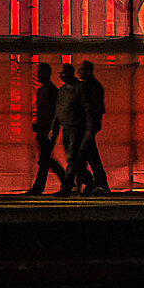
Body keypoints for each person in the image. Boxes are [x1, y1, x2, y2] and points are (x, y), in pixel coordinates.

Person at [26, 62, 65, 195]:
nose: (38, 75)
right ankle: (66, 181)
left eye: (40, 72)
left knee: (45, 158)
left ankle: (41, 187)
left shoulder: (50, 91)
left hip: (47, 128)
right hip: (44, 127)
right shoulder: (46, 90)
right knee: (45, 158)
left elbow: (53, 112)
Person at [53, 63, 88, 196]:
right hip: (66, 127)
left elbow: (86, 108)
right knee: (73, 159)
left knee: (72, 158)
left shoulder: (79, 88)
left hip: (76, 127)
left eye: (63, 72)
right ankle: (89, 181)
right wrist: (54, 126)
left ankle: (66, 188)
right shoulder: (62, 90)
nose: (61, 75)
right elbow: (58, 110)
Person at [78, 61, 109, 192]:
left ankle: (91, 181)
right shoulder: (92, 86)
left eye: (81, 70)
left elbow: (96, 109)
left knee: (83, 155)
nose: (79, 72)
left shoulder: (90, 87)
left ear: (88, 71)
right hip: (88, 126)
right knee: (89, 155)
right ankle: (96, 182)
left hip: (87, 126)